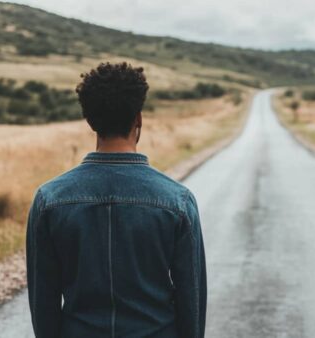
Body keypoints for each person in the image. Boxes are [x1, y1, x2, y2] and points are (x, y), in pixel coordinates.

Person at [26, 62, 206, 338]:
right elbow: (191, 304)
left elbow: (44, 306)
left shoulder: (49, 200)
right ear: (139, 119)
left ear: (90, 121)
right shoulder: (178, 202)